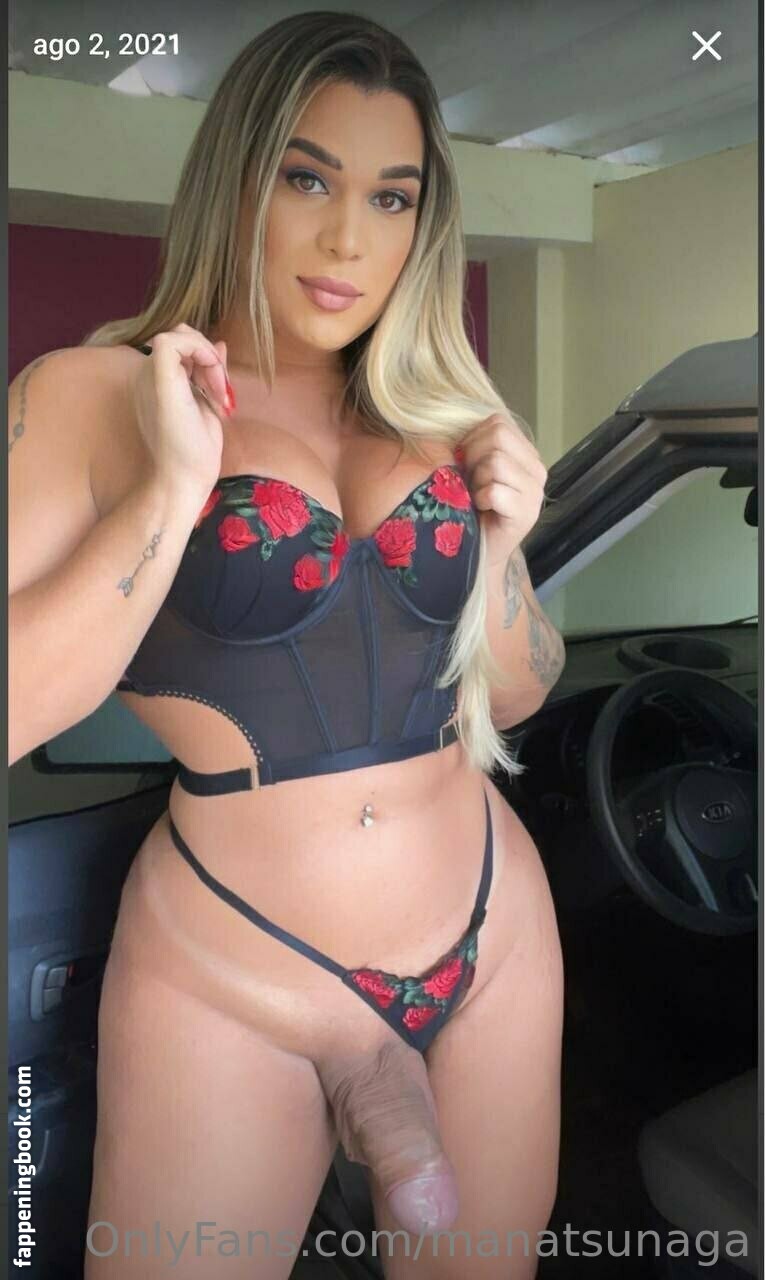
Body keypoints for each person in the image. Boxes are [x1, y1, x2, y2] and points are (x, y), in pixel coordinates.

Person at [9, 13, 566, 1277]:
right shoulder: (92, 394)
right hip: (233, 970)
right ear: (238, 179)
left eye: (391, 197)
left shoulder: (439, 408)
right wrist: (169, 493)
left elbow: (522, 687)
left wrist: (505, 540)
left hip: (491, 929)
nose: (347, 240)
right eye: (307, 179)